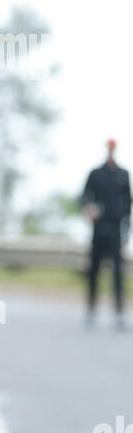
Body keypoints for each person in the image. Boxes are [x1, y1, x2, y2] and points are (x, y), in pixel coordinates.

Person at [81, 139, 132, 328]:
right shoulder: (96, 174)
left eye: (113, 148)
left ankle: (119, 313)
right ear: (106, 149)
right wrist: (89, 208)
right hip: (98, 228)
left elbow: (128, 205)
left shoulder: (123, 174)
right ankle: (91, 310)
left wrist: (127, 231)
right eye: (109, 148)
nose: (111, 151)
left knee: (118, 272)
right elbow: (84, 196)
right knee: (93, 270)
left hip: (116, 229)